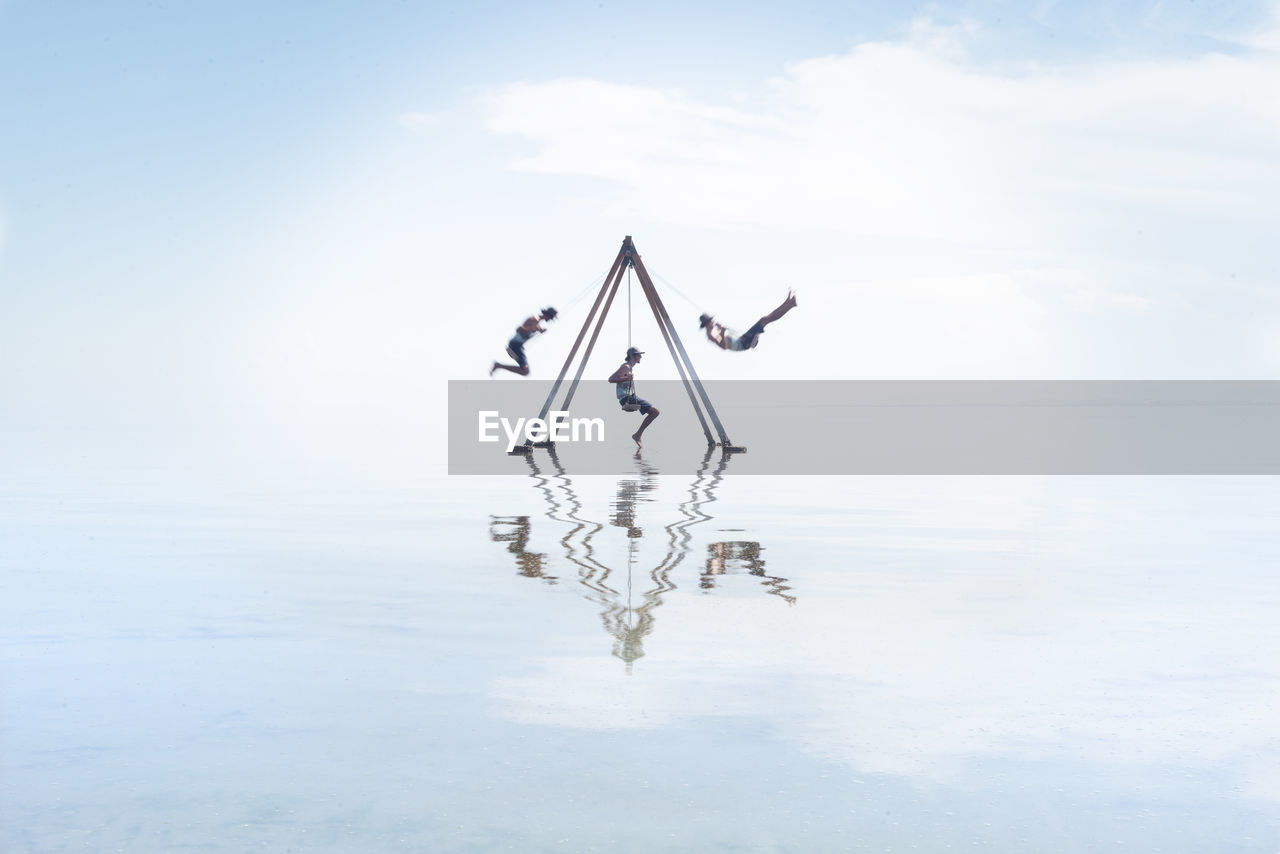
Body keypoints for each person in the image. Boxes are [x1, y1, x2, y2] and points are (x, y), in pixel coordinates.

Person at [699, 291, 797, 351]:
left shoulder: (713, 331)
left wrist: (721, 330)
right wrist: (723, 331)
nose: (713, 322)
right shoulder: (711, 335)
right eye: (710, 321)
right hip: (744, 343)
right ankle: (790, 304)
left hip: (743, 339)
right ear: (707, 324)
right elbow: (724, 346)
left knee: (764, 320)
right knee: (764, 320)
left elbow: (724, 338)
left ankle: (788, 303)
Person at [608, 346, 660, 449]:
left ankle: (638, 434)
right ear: (632, 356)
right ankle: (637, 435)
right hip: (626, 398)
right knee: (655, 412)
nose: (641, 357)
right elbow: (611, 379)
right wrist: (626, 377)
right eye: (639, 355)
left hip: (630, 397)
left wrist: (626, 378)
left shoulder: (629, 367)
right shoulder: (626, 367)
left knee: (654, 412)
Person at [491, 307, 558, 376]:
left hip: (517, 347)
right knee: (525, 371)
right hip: (514, 345)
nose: (550, 320)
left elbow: (536, 328)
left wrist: (540, 330)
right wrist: (532, 329)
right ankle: (498, 365)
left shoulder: (537, 323)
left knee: (525, 371)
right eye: (551, 318)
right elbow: (518, 329)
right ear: (548, 315)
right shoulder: (534, 319)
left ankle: (499, 365)